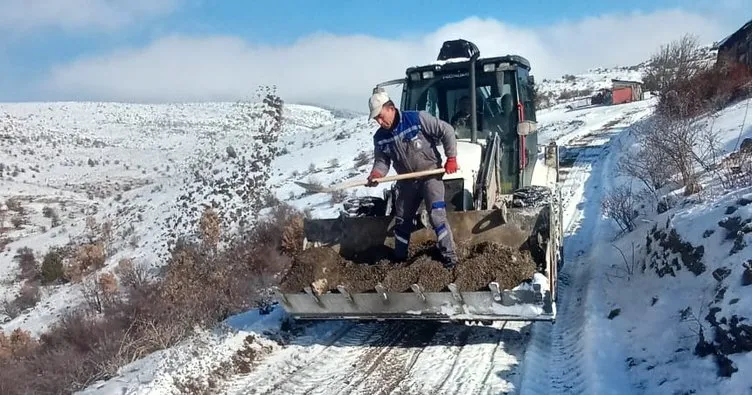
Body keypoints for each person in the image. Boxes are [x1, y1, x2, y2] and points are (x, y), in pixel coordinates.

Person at [365, 90, 459, 269]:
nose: (379, 122)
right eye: (376, 119)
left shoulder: (417, 119)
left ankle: (450, 258)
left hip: (430, 175)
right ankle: (400, 259)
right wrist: (377, 174)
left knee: (437, 216)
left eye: (380, 116)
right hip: (407, 182)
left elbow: (446, 130)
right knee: (401, 220)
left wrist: (451, 157)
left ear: (391, 108)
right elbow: (382, 161)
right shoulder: (380, 138)